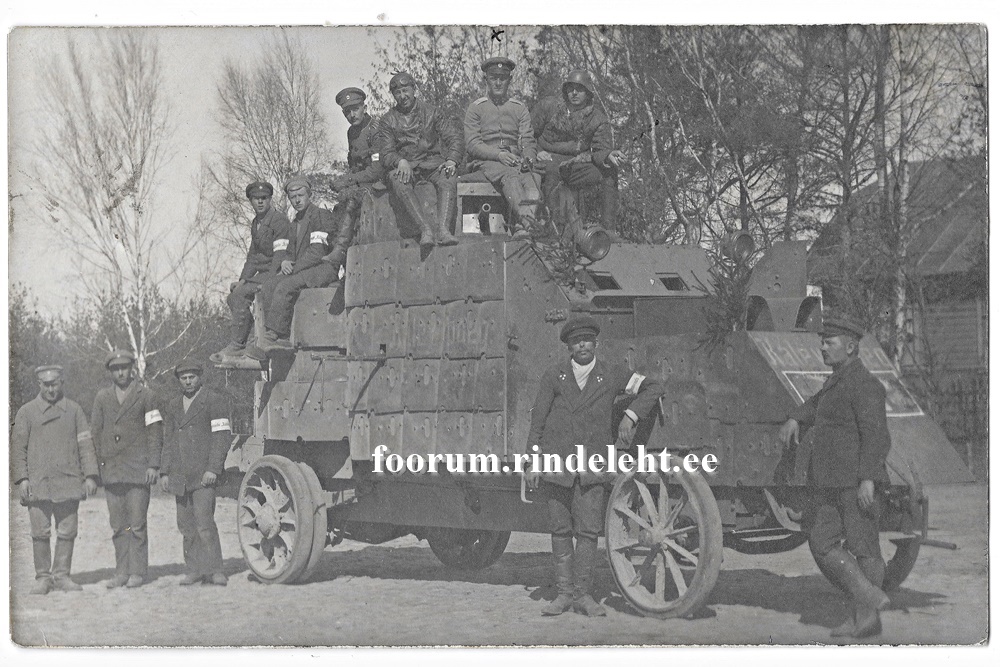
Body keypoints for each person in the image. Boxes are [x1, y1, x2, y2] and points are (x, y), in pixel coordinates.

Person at [524, 315, 663, 616]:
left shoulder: (611, 374)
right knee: (561, 531)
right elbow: (538, 422)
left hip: (593, 467)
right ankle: (563, 595)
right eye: (576, 341)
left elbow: (653, 387)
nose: (582, 345)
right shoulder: (554, 375)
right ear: (569, 347)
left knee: (588, 532)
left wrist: (631, 416)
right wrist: (532, 461)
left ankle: (583, 596)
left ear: (596, 343)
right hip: (557, 465)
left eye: (587, 340)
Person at [778, 317, 891, 639]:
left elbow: (876, 436)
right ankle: (868, 597)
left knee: (864, 548)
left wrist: (868, 479)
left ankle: (864, 619)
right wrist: (795, 418)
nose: (822, 347)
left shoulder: (865, 385)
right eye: (822, 341)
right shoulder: (837, 381)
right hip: (830, 481)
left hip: (855, 482)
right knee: (822, 542)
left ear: (851, 347)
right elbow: (815, 405)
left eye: (830, 342)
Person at [11, 365, 99, 594]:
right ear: (39, 384)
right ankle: (43, 577)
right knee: (39, 532)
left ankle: (61, 576)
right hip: (38, 483)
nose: (51, 389)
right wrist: (22, 479)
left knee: (68, 531)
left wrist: (90, 475)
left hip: (69, 481)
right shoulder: (27, 412)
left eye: (55, 384)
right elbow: (18, 448)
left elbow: (85, 444)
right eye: (46, 385)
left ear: (62, 383)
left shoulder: (74, 410)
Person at [248, 175, 353, 358]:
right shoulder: (295, 222)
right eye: (292, 197)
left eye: (300, 195)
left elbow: (317, 252)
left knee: (286, 286)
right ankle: (268, 336)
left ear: (309, 194)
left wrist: (294, 268)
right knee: (269, 285)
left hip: (322, 269)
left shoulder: (319, 215)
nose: (297, 200)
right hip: (304, 269)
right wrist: (285, 261)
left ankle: (278, 336)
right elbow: (290, 251)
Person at [90, 350, 164, 589]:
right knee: (118, 526)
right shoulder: (102, 397)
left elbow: (155, 432)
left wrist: (153, 464)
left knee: (137, 524)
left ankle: (138, 572)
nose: (120, 372)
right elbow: (95, 434)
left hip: (138, 470)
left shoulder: (147, 396)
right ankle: (121, 572)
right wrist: (96, 469)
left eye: (124, 367)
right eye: (115, 369)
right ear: (110, 372)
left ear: (132, 368)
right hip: (112, 472)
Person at [159, 359, 232, 586]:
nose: (188, 381)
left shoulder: (214, 400)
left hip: (203, 476)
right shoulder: (173, 405)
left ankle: (215, 570)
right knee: (186, 526)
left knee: (204, 524)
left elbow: (221, 437)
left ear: (200, 378)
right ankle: (194, 570)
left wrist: (213, 469)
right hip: (179, 475)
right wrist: (164, 472)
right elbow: (168, 440)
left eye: (192, 377)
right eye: (184, 378)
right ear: (179, 380)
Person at [531, 69, 626, 234]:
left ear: (588, 93)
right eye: (570, 88)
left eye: (580, 89)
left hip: (575, 165)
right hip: (546, 159)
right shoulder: (548, 106)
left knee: (609, 171)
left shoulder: (597, 118)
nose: (574, 93)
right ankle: (555, 231)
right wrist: (536, 151)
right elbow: (526, 132)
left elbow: (600, 149)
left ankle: (609, 230)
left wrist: (608, 155)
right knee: (553, 172)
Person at [373, 72, 461, 247]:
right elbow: (386, 152)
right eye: (398, 93)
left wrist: (452, 160)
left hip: (433, 164)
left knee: (448, 177)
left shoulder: (432, 112)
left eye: (406, 90)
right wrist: (399, 161)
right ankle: (425, 230)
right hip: (406, 167)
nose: (402, 96)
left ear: (414, 89)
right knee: (398, 181)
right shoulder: (388, 120)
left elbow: (454, 138)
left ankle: (444, 230)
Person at [464, 57, 543, 240]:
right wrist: (498, 155)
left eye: (503, 78)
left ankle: (521, 227)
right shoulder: (476, 108)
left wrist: (528, 158)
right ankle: (529, 223)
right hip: (486, 160)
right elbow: (473, 144)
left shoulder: (519, 108)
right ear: (486, 80)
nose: (498, 83)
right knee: (510, 175)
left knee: (534, 177)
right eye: (493, 78)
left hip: (514, 159)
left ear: (510, 80)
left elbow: (527, 139)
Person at [212, 181, 290, 363]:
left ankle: (238, 344)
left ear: (270, 199)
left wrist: (268, 281)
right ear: (251, 201)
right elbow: (253, 256)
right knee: (234, 296)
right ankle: (245, 341)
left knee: (241, 295)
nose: (260, 202)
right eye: (256, 199)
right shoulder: (256, 223)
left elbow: (280, 255)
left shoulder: (278, 221)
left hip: (275, 272)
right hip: (262, 273)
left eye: (264, 198)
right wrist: (243, 279)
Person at [330, 86, 385, 209]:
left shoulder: (375, 129)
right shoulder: (351, 132)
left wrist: (348, 180)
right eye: (347, 112)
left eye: (355, 109)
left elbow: (376, 170)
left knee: (351, 206)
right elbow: (353, 164)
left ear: (364, 109)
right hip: (361, 182)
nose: (352, 115)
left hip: (377, 182)